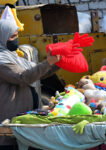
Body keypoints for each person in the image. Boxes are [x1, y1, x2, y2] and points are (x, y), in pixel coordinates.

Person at [0, 19, 61, 149]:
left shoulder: (12, 56)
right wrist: (48, 62)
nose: (16, 39)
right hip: (8, 122)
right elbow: (23, 77)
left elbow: (37, 74)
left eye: (17, 35)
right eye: (12, 36)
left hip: (21, 122)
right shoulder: (2, 61)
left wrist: (58, 63)